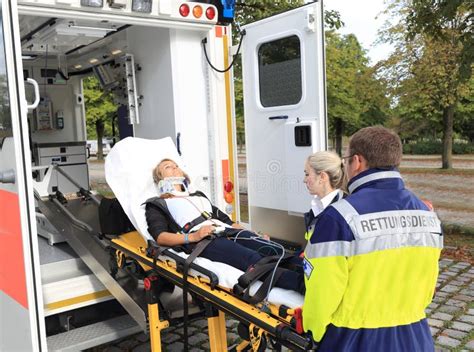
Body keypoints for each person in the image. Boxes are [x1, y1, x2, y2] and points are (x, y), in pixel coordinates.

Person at [302, 126, 442, 351]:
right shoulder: (427, 215)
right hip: (415, 336)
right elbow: (427, 288)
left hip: (353, 339)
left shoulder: (339, 217)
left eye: (346, 161)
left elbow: (322, 294)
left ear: (357, 162)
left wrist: (314, 334)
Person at [145, 159, 304, 293]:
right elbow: (160, 237)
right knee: (254, 260)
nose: (174, 168)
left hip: (226, 230)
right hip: (205, 241)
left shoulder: (199, 196)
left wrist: (252, 233)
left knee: (272, 249)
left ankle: (315, 276)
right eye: (168, 167)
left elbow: (226, 221)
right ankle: (302, 285)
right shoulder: (158, 204)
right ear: (160, 179)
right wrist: (193, 236)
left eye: (176, 165)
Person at [303, 151, 345, 241]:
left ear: (322, 177)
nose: (304, 180)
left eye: (307, 174)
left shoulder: (342, 212)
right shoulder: (317, 207)